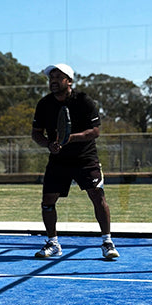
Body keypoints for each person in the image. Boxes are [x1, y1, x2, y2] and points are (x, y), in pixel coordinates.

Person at [31, 63, 119, 260]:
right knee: (47, 201)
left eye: (58, 77)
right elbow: (36, 133)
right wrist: (48, 144)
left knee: (97, 196)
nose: (53, 81)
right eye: (51, 78)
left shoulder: (83, 101)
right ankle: (53, 243)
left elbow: (95, 131)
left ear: (69, 81)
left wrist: (70, 138)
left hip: (85, 158)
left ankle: (107, 242)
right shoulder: (44, 104)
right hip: (58, 161)